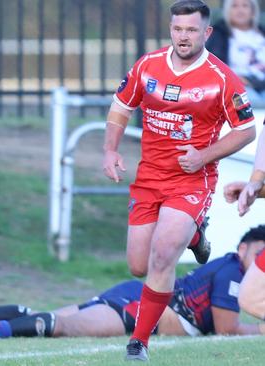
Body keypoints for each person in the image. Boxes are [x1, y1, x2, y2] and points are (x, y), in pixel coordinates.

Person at [102, 0, 256, 361]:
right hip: (149, 176)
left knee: (162, 256)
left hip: (191, 181)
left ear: (207, 32)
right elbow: (121, 107)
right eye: (177, 29)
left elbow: (247, 130)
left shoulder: (221, 78)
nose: (183, 36)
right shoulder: (148, 65)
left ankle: (138, 342)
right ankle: (197, 235)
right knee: (138, 265)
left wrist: (203, 156)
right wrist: (109, 150)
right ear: (170, 29)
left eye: (190, 30)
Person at [0, 225, 265, 339]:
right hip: (141, 308)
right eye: (260, 251)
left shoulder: (230, 268)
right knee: (65, 326)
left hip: (140, 300)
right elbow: (227, 328)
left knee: (50, 316)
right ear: (242, 248)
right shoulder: (234, 271)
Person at [206, 0, 265, 104]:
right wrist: (238, 80)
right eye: (235, 6)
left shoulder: (262, 33)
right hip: (236, 88)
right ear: (227, 10)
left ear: (253, 10)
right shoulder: (218, 34)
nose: (240, 10)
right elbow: (212, 65)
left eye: (245, 6)